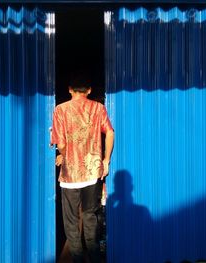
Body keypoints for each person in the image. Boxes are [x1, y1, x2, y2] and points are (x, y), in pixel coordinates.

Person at [51, 72, 114, 263]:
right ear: (89, 90)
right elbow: (110, 132)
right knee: (89, 216)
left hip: (70, 175)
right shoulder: (98, 108)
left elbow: (60, 142)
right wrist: (105, 161)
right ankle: (94, 257)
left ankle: (78, 259)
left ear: (70, 90)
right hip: (92, 172)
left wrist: (64, 153)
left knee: (71, 221)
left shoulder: (60, 110)